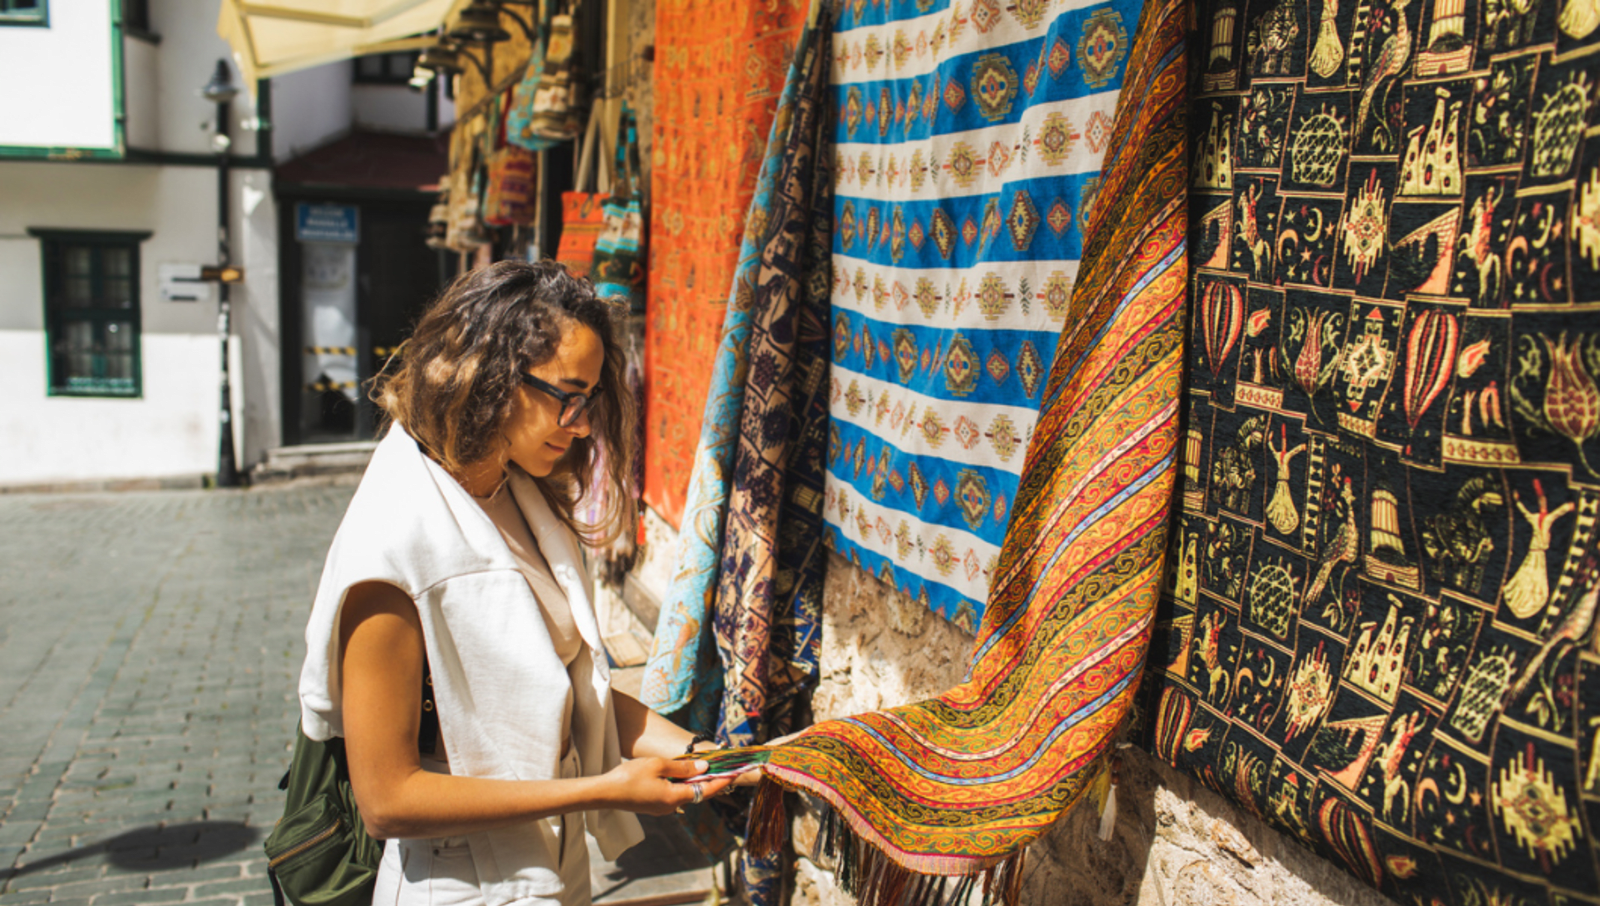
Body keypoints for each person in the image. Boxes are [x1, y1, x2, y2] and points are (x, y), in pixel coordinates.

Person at [296, 260, 734, 906]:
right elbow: (387, 801)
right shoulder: (390, 546)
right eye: (567, 395)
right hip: (459, 883)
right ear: (489, 373)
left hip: (549, 864)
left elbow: (562, 688)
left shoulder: (511, 490)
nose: (581, 424)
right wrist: (606, 788)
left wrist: (709, 755)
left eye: (591, 400)